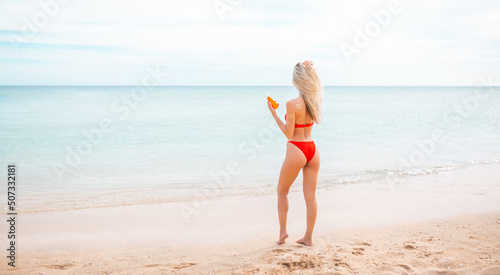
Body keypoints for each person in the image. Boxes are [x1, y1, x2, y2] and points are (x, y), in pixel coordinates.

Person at [268, 60, 323, 246]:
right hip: (312, 151)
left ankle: (283, 233)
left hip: (297, 148)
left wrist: (274, 114)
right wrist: (310, 67)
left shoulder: (292, 104)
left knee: (282, 191)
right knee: (311, 197)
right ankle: (308, 238)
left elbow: (288, 133)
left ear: (296, 81)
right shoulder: (315, 101)